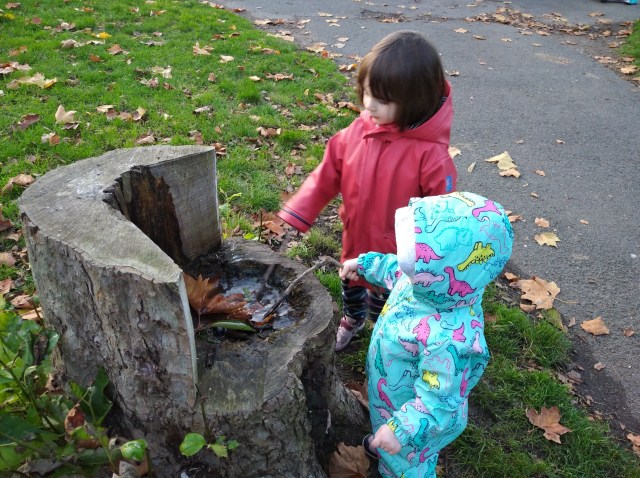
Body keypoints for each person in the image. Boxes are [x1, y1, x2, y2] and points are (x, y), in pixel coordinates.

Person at [277, 31, 457, 351]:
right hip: (356, 236)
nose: (368, 104)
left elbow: (440, 217)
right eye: (366, 92)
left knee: (386, 296)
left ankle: (384, 329)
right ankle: (353, 318)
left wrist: (427, 258)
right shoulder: (358, 131)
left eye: (382, 100)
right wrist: (299, 210)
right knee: (352, 282)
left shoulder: (431, 156)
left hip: (395, 253)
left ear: (415, 102)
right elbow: (327, 172)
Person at [339, 192, 514, 477]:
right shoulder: (427, 284)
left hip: (415, 424)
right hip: (394, 393)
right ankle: (382, 439)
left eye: (413, 266)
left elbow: (438, 401)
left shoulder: (451, 341)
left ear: (445, 271)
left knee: (406, 466)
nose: (407, 272)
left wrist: (401, 430)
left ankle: (392, 457)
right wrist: (367, 265)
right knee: (387, 434)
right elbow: (397, 270)